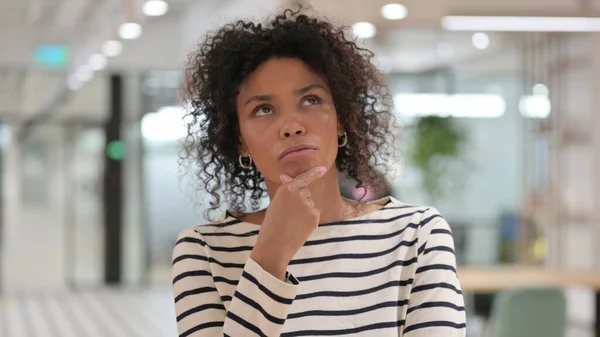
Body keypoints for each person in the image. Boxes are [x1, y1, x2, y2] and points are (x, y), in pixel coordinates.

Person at [172, 8, 466, 337]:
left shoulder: (417, 234)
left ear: (341, 119)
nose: (292, 126)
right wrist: (271, 255)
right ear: (240, 140)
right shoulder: (203, 251)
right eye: (263, 109)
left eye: (311, 100)